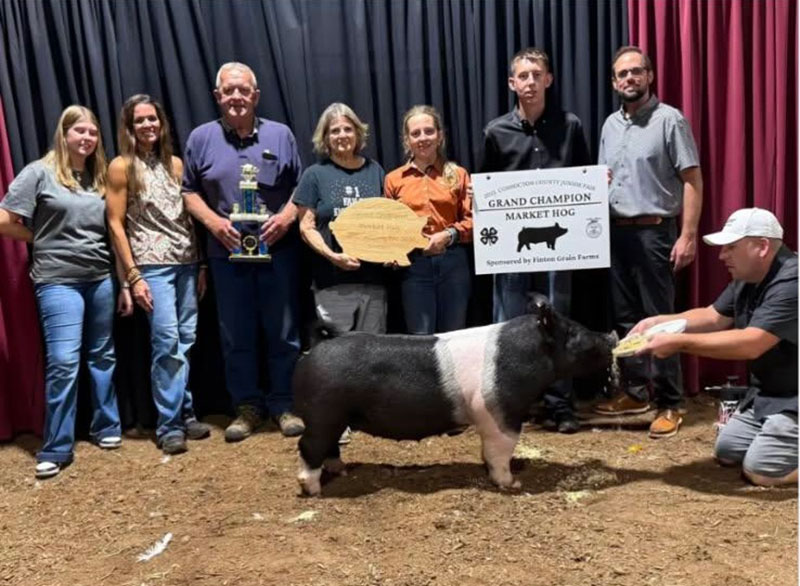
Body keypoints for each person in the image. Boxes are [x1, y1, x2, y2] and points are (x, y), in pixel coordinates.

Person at [0, 105, 127, 479]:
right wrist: (40, 237)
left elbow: (114, 229)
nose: (87, 138)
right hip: (58, 281)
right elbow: (6, 220)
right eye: (80, 131)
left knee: (102, 355)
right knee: (64, 361)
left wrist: (123, 281)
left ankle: (107, 426)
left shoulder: (99, 176)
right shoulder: (39, 172)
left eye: (92, 132)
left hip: (100, 277)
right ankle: (56, 447)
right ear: (64, 133)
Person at [182, 62, 304, 441]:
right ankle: (247, 407)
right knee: (236, 334)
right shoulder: (200, 138)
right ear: (218, 96)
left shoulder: (281, 134)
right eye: (228, 91)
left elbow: (303, 188)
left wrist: (285, 218)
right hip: (226, 254)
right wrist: (214, 224)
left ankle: (284, 404)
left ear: (256, 96)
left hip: (278, 252)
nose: (236, 97)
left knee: (283, 332)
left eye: (243, 90)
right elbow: (188, 192)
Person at [633, 208, 796, 485]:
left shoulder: (793, 282)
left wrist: (679, 343)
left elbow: (751, 344)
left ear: (762, 247)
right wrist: (661, 322)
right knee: (728, 450)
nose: (722, 256)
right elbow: (712, 316)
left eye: (731, 247)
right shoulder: (748, 278)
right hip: (771, 395)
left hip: (795, 398)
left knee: (762, 472)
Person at [594, 46, 704, 440]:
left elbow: (692, 180)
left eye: (636, 72)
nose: (629, 79)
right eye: (622, 74)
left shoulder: (669, 120)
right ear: (613, 82)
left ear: (650, 76)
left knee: (661, 319)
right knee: (626, 319)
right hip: (615, 232)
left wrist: (688, 235)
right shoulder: (609, 125)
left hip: (655, 232)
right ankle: (636, 392)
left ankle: (671, 403)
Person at [481, 47, 591, 433]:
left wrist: (596, 184)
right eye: (522, 76)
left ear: (549, 79)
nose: (529, 82)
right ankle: (511, 403)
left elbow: (585, 178)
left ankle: (560, 405)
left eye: (536, 74)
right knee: (508, 323)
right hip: (510, 247)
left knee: (557, 320)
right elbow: (486, 187)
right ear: (511, 83)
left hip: (560, 246)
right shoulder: (495, 131)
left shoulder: (571, 125)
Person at [106, 94, 212, 455]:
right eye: (140, 120)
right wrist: (132, 276)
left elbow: (188, 218)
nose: (148, 125)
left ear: (162, 124)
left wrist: (200, 264)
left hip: (185, 262)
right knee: (165, 342)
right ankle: (169, 424)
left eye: (153, 119)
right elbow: (115, 223)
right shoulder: (121, 167)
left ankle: (185, 412)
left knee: (186, 340)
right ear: (129, 127)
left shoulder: (177, 165)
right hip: (152, 265)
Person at [294, 102, 387, 336]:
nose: (342, 135)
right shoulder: (314, 175)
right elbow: (306, 227)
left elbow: (387, 220)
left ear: (358, 132)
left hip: (373, 280)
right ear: (325, 138)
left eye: (347, 129)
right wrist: (332, 256)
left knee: (374, 354)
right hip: (332, 281)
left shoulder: (375, 171)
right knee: (337, 358)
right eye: (334, 130)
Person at [384, 105, 473, 334]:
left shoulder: (459, 174)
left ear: (440, 135)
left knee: (454, 337)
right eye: (416, 133)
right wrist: (393, 251)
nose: (423, 138)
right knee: (420, 340)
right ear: (407, 140)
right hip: (415, 266)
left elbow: (473, 221)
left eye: (429, 131)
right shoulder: (394, 180)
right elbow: (389, 226)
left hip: (454, 263)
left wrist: (448, 235)